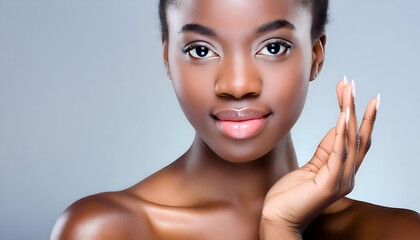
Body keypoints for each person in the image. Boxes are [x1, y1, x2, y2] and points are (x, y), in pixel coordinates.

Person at [50, 0, 420, 239]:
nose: (237, 85)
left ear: (316, 56)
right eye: (201, 50)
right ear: (168, 60)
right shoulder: (106, 230)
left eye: (273, 47)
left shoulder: (396, 232)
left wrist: (280, 229)